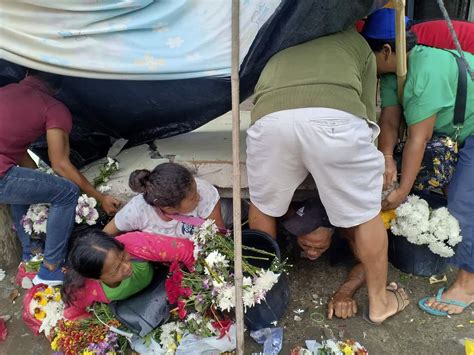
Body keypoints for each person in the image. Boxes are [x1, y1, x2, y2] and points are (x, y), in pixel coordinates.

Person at [246, 27, 409, 324]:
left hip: (271, 122)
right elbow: (365, 110)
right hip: (336, 119)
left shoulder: (279, 36)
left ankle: (262, 296)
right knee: (365, 214)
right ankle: (380, 303)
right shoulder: (356, 43)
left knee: (263, 205)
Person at [362, 8, 474, 316]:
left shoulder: (425, 71)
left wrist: (399, 193)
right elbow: (389, 120)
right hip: (458, 131)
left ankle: (468, 283)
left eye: (367, 54)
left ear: (386, 49)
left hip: (471, 130)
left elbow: (417, 139)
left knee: (463, 201)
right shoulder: (392, 72)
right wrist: (386, 158)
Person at [0, 70, 121, 285]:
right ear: (59, 88)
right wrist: (99, 197)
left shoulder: (6, 91)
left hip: (4, 168)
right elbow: (61, 164)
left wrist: (39, 179)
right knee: (66, 192)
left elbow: (14, 149)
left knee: (23, 188)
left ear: (27, 72)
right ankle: (51, 269)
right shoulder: (53, 108)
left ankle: (30, 257)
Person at [62, 229, 195, 319]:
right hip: (136, 310)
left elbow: (187, 250)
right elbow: (73, 316)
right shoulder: (81, 290)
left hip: (160, 282)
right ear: (96, 279)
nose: (126, 267)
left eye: (124, 257)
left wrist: (200, 285)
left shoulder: (135, 244)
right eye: (116, 270)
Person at [282, 198, 366, 320]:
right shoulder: (288, 217)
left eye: (320, 247)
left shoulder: (348, 232)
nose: (311, 252)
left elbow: (368, 265)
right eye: (305, 244)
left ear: (333, 234)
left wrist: (345, 292)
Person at [104, 162, 225, 237]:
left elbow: (220, 235)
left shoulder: (204, 192)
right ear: (168, 207)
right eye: (193, 198)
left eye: (196, 188)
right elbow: (105, 235)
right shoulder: (137, 211)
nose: (199, 197)